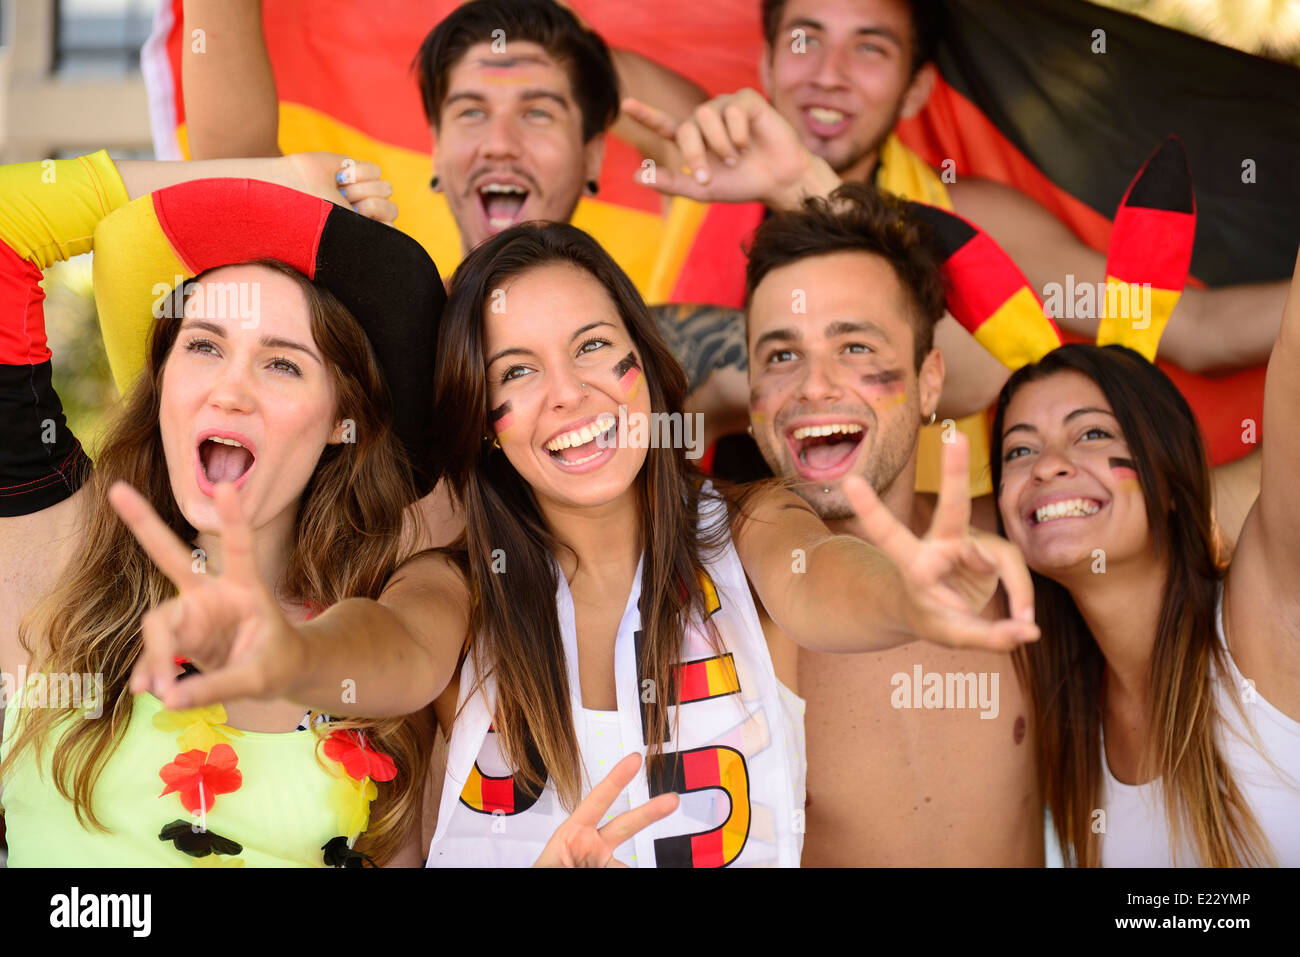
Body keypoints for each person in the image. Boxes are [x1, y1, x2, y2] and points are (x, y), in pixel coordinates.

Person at [116, 219, 1042, 868]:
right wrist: (294, 654)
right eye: (518, 370)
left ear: (646, 364)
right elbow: (390, 654)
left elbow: (824, 582)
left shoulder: (751, 525)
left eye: (596, 347)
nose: (569, 395)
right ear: (484, 421)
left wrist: (906, 599)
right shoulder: (455, 585)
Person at [0, 150, 442, 866]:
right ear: (161, 382)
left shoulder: (376, 635)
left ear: (341, 417)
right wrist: (277, 178)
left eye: (282, 362)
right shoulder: (59, 562)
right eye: (203, 345)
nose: (230, 390)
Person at [739, 183, 1040, 865]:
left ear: (931, 380)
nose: (814, 386)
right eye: (781, 355)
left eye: (854, 347)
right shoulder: (724, 567)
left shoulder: (1026, 548)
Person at [988, 248, 1300, 866]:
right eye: (1018, 452)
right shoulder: (1071, 732)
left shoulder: (1259, 618)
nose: (1047, 465)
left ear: (1171, 474)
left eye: (1093, 434)